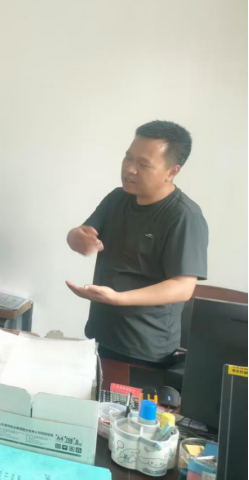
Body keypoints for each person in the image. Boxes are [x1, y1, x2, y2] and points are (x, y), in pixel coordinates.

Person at [66, 120, 208, 366]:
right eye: (128, 158)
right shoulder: (117, 198)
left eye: (143, 164)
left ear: (172, 171)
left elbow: (183, 287)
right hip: (101, 335)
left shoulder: (184, 216)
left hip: (143, 349)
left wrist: (118, 298)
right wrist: (77, 238)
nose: (130, 169)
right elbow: (79, 233)